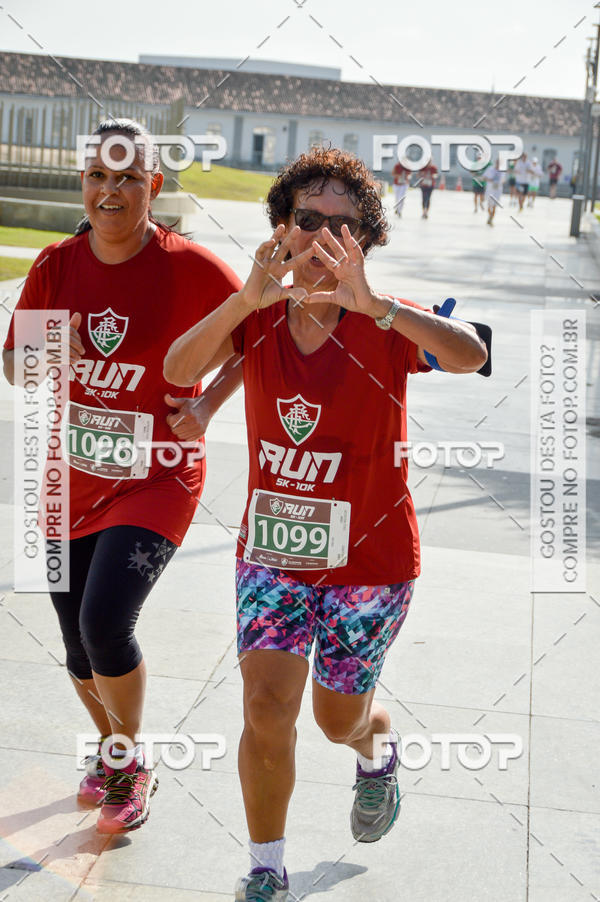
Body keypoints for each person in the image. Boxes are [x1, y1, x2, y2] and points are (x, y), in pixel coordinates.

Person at [164, 147, 488, 900]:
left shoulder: (386, 320)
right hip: (273, 554)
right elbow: (184, 367)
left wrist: (378, 305)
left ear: (366, 242)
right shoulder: (262, 310)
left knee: (335, 718)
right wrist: (245, 303)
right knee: (265, 705)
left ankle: (375, 749)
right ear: (281, 227)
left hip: (371, 565)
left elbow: (472, 352)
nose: (322, 238)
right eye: (307, 219)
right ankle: (265, 867)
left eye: (343, 226)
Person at [2, 119, 242, 834]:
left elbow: (259, 342)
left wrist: (208, 403)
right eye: (98, 177)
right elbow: (14, 365)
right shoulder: (54, 265)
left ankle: (129, 760)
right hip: (68, 478)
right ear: (83, 182)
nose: (110, 190)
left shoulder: (193, 268)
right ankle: (114, 755)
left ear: (154, 186)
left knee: (106, 621)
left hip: (158, 477)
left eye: (128, 177)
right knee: (75, 641)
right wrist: (48, 352)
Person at [484, 157, 505, 226]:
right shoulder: (490, 169)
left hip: (498, 191)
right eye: (497, 163)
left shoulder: (502, 171)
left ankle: (491, 219)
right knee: (489, 206)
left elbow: (504, 180)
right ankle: (489, 217)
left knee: (495, 206)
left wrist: (500, 182)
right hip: (490, 190)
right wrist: (490, 180)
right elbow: (484, 177)